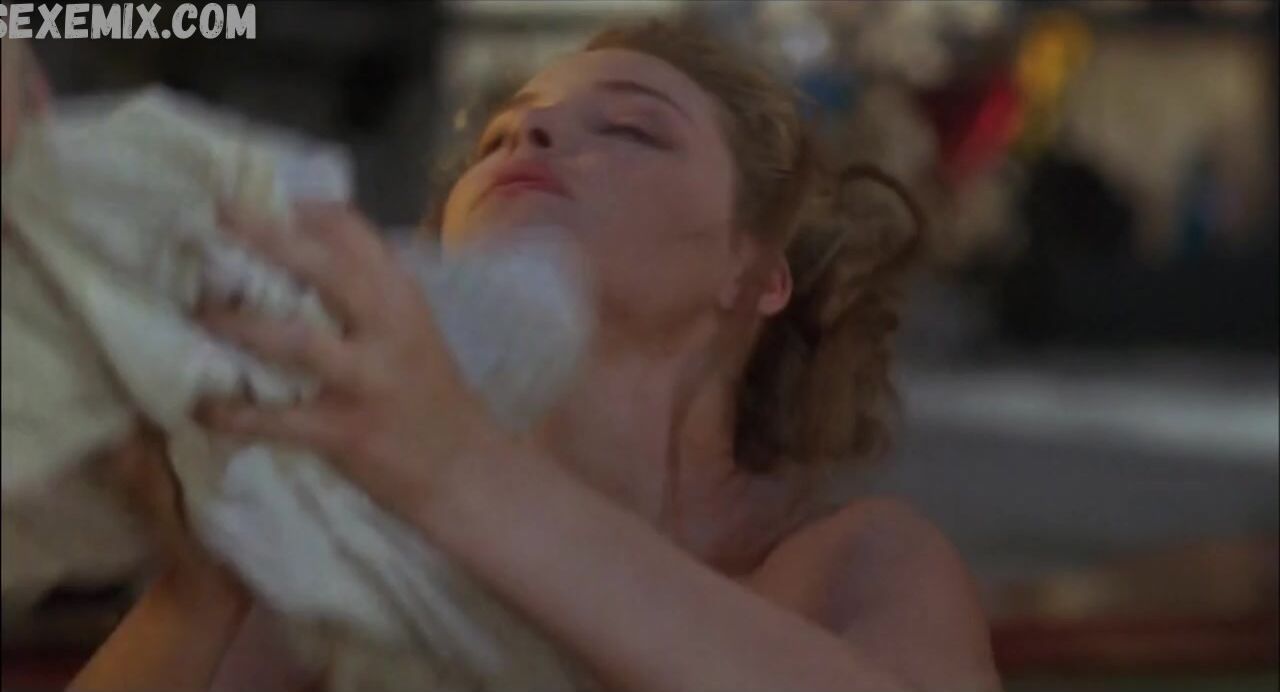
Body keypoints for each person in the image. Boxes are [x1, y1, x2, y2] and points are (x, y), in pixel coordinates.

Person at [64, 20, 1000, 692]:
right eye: (500, 137)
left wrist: (451, 466)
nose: (534, 138)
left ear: (755, 272)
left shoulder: (855, 559)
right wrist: (204, 579)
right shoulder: (361, 551)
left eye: (630, 128)